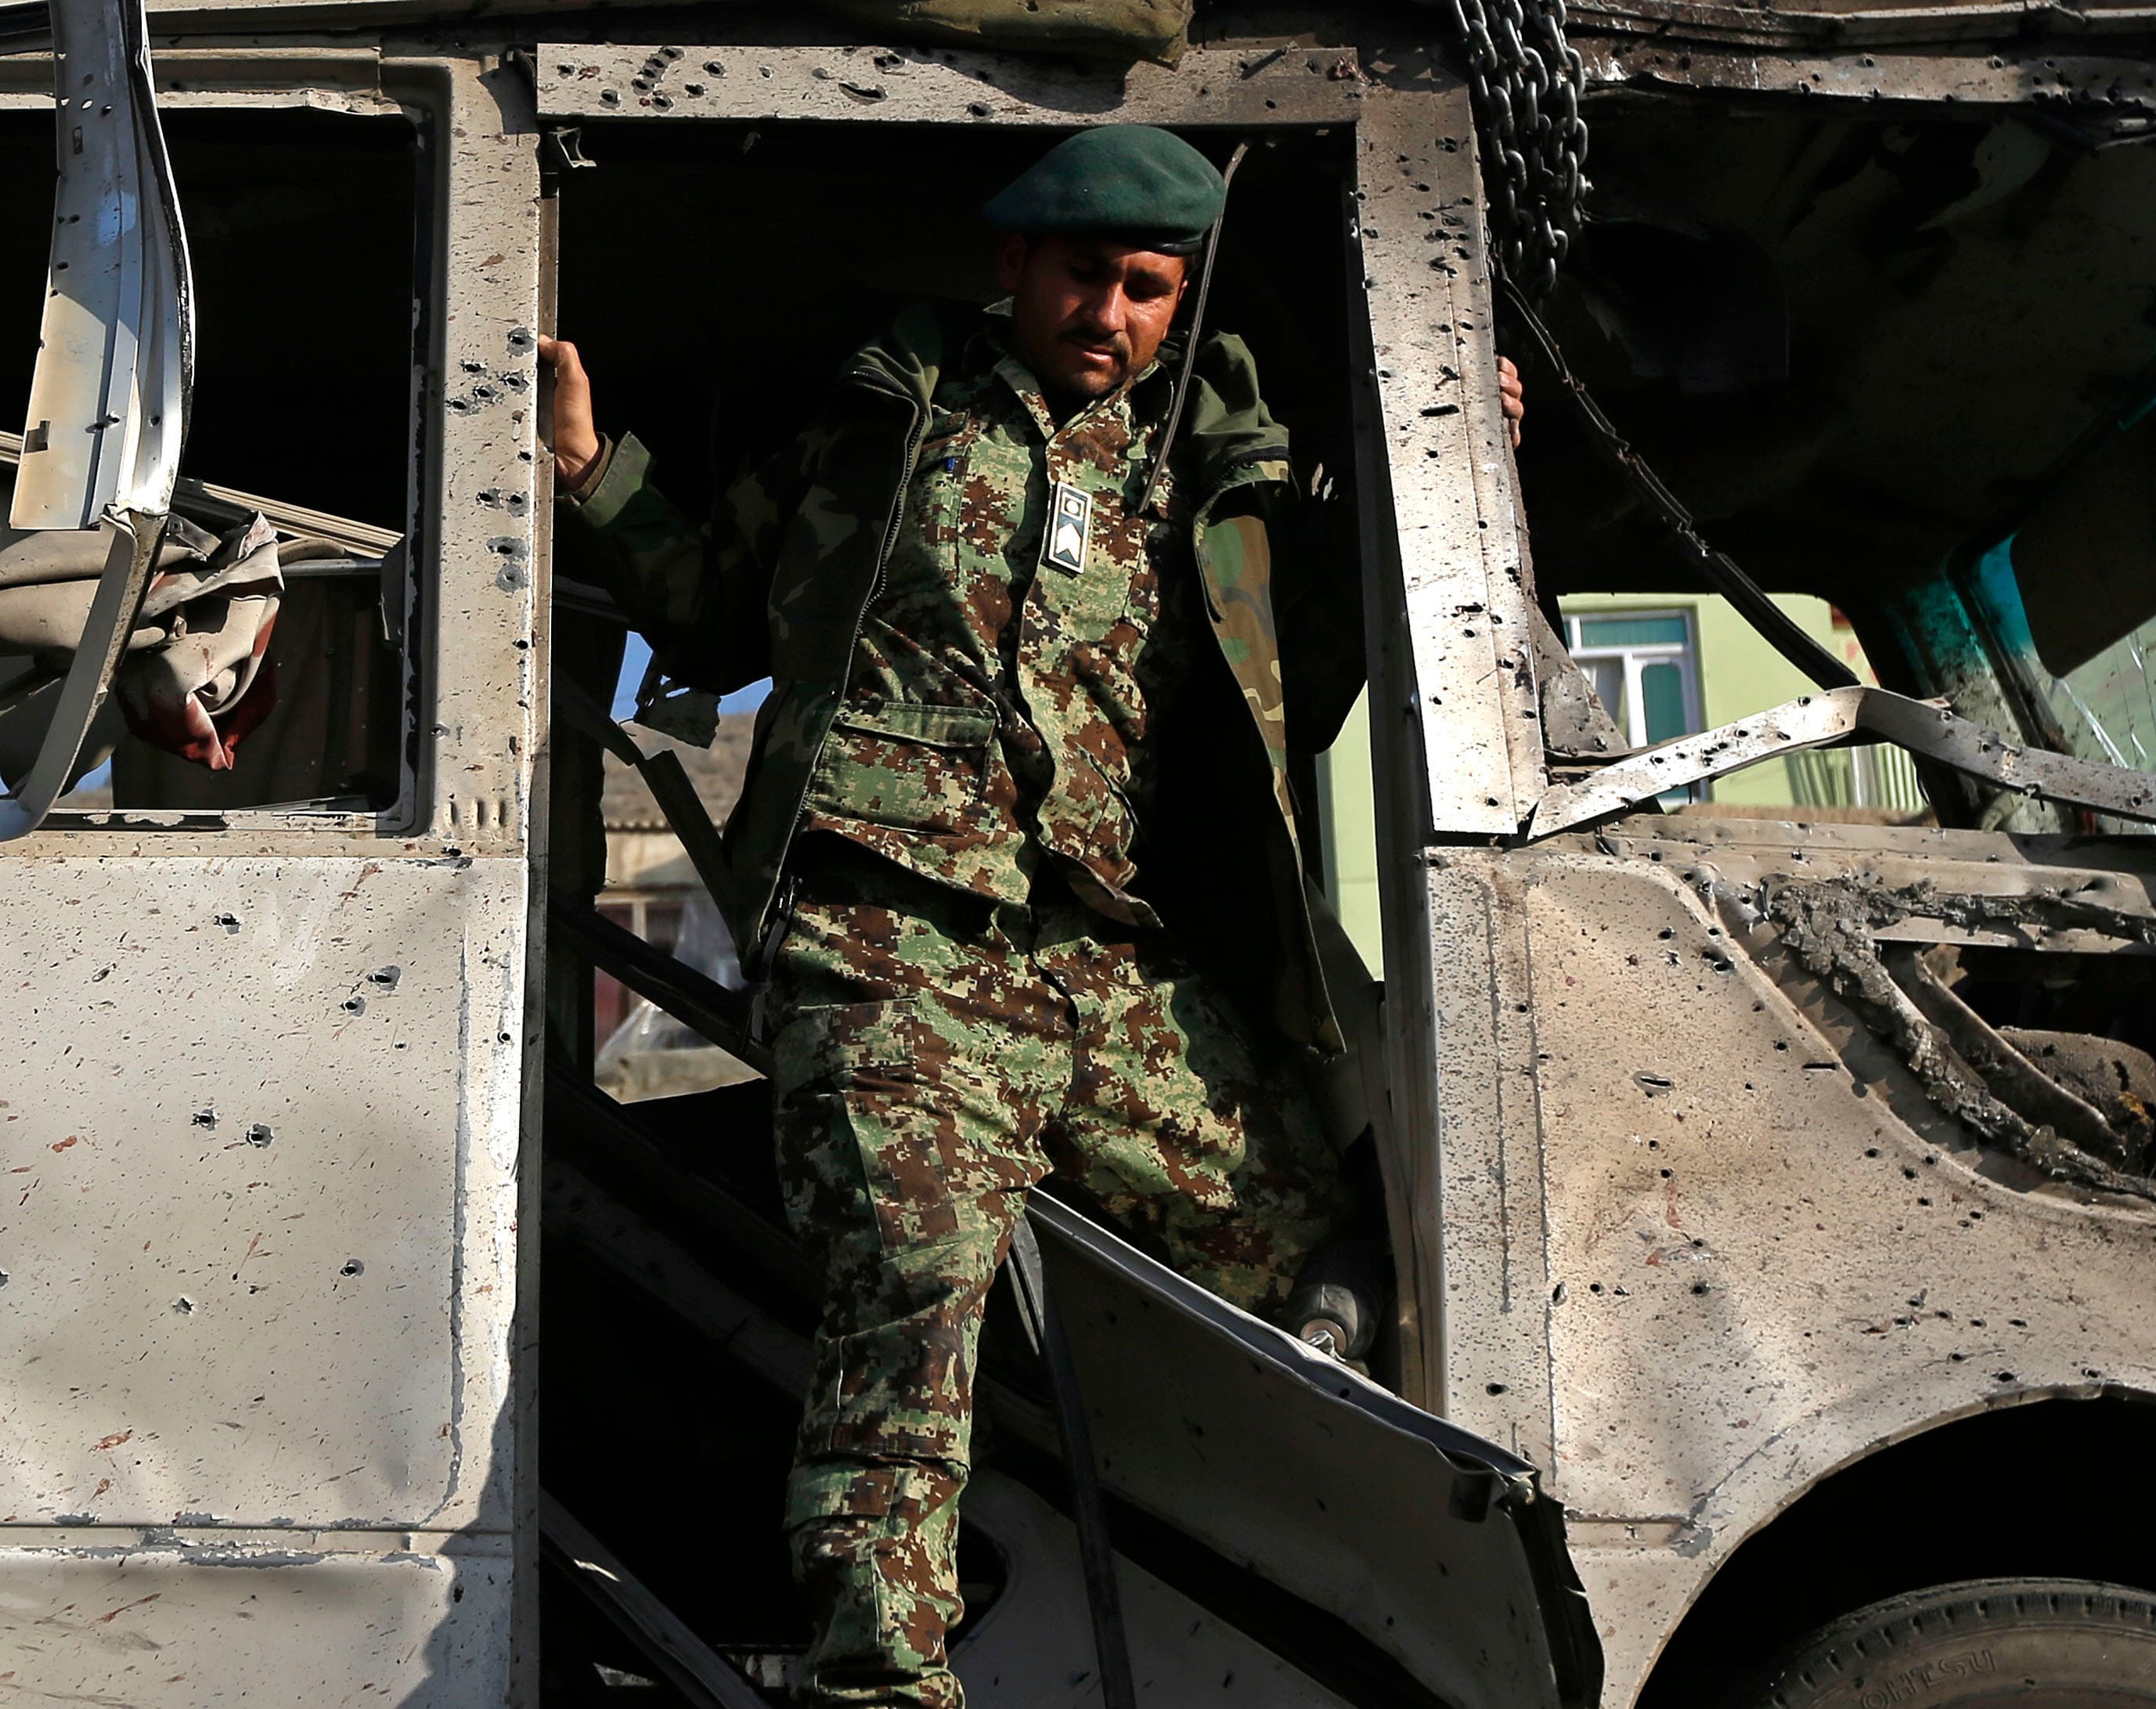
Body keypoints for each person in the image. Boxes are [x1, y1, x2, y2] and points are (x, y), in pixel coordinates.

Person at [546, 124, 1523, 1709]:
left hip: (1092, 948)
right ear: (1013, 266)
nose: (1109, 315)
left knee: (1316, 1234)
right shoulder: (894, 419)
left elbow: (1314, 672)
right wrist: (595, 468)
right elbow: (713, 608)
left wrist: (1455, 473)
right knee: (910, 1303)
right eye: (1083, 275)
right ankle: (878, 1691)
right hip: (886, 929)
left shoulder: (1207, 476)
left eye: (1147, 289)